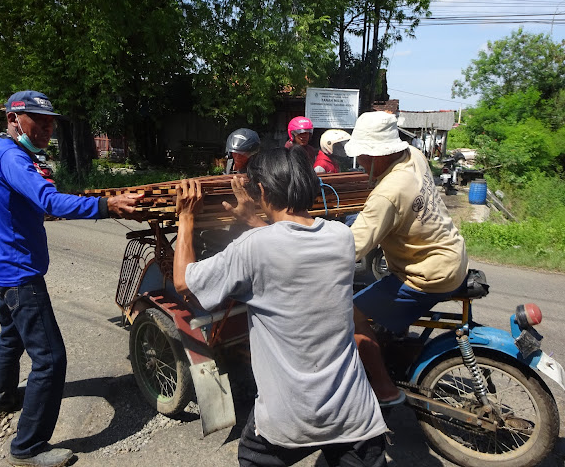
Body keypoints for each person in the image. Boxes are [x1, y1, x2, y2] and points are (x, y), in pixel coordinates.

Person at [173, 147, 387, 467]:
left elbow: (185, 284)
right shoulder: (341, 237)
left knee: (253, 456)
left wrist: (186, 217)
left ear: (260, 190)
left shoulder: (253, 247)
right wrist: (257, 221)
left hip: (290, 416)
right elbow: (290, 250)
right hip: (354, 413)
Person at [0, 90, 142, 467]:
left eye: (50, 122)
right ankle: (28, 447)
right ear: (13, 119)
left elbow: (32, 203)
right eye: (39, 121)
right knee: (50, 359)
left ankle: (0, 399)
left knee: (12, 334)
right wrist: (106, 205)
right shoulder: (13, 158)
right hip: (19, 272)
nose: (47, 129)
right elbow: (50, 201)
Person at [344, 111, 469, 406]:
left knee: (349, 313)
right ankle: (392, 340)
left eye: (362, 156)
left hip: (428, 274)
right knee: (379, 289)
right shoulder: (412, 154)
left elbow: (350, 249)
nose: (359, 163)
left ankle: (385, 389)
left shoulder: (387, 194)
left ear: (377, 155)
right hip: (453, 255)